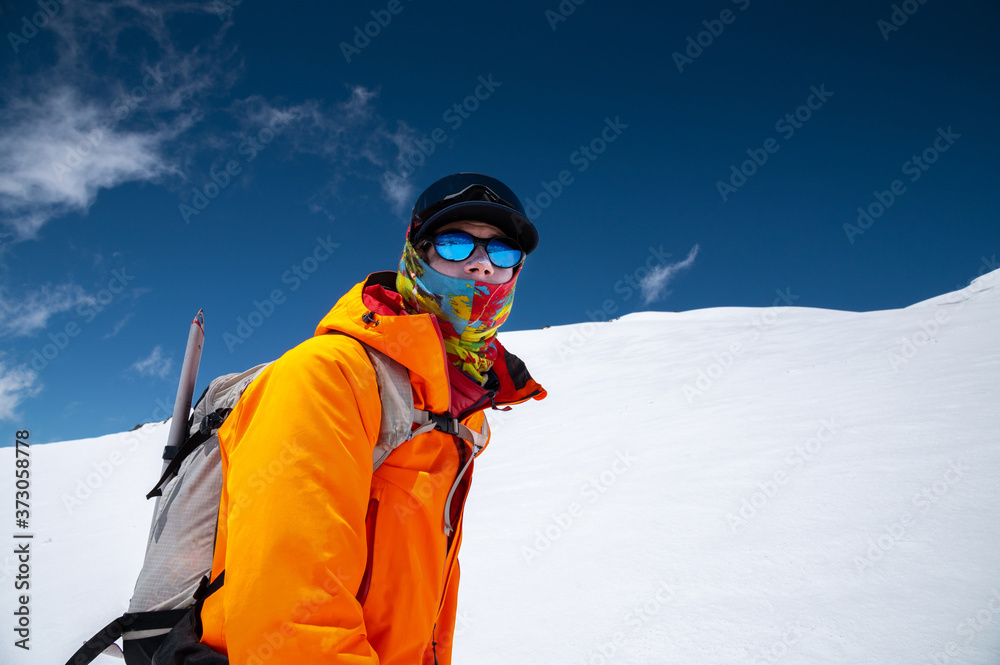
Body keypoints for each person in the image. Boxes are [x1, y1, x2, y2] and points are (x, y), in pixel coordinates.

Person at [197, 173, 547, 664]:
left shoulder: (461, 411)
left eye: (503, 253)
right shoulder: (328, 376)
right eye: (454, 244)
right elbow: (294, 620)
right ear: (415, 255)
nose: (482, 266)